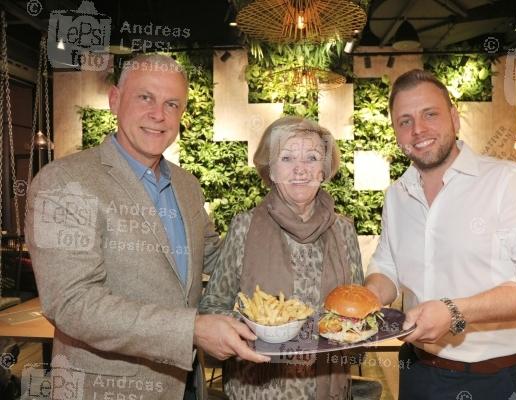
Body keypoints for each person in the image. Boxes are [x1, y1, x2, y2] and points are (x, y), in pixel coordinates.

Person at [25, 54, 269, 400]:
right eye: (145, 98)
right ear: (115, 100)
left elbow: (216, 256)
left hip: (184, 380)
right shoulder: (64, 182)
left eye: (172, 104)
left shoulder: (187, 185)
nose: (159, 115)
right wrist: (192, 329)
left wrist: (286, 251)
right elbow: (72, 304)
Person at [364, 69, 516, 400]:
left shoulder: (511, 181)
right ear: (396, 132)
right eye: (405, 121)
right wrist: (369, 297)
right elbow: (386, 265)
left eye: (429, 114)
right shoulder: (396, 195)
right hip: (416, 370)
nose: (418, 129)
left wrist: (455, 311)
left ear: (455, 118)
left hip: (493, 379)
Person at [199, 116, 363, 399]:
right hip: (259, 388)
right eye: (286, 158)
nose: (300, 169)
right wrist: (261, 331)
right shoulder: (244, 227)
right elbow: (213, 306)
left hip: (328, 387)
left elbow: (355, 313)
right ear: (271, 170)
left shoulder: (344, 230)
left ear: (323, 171)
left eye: (312, 158)